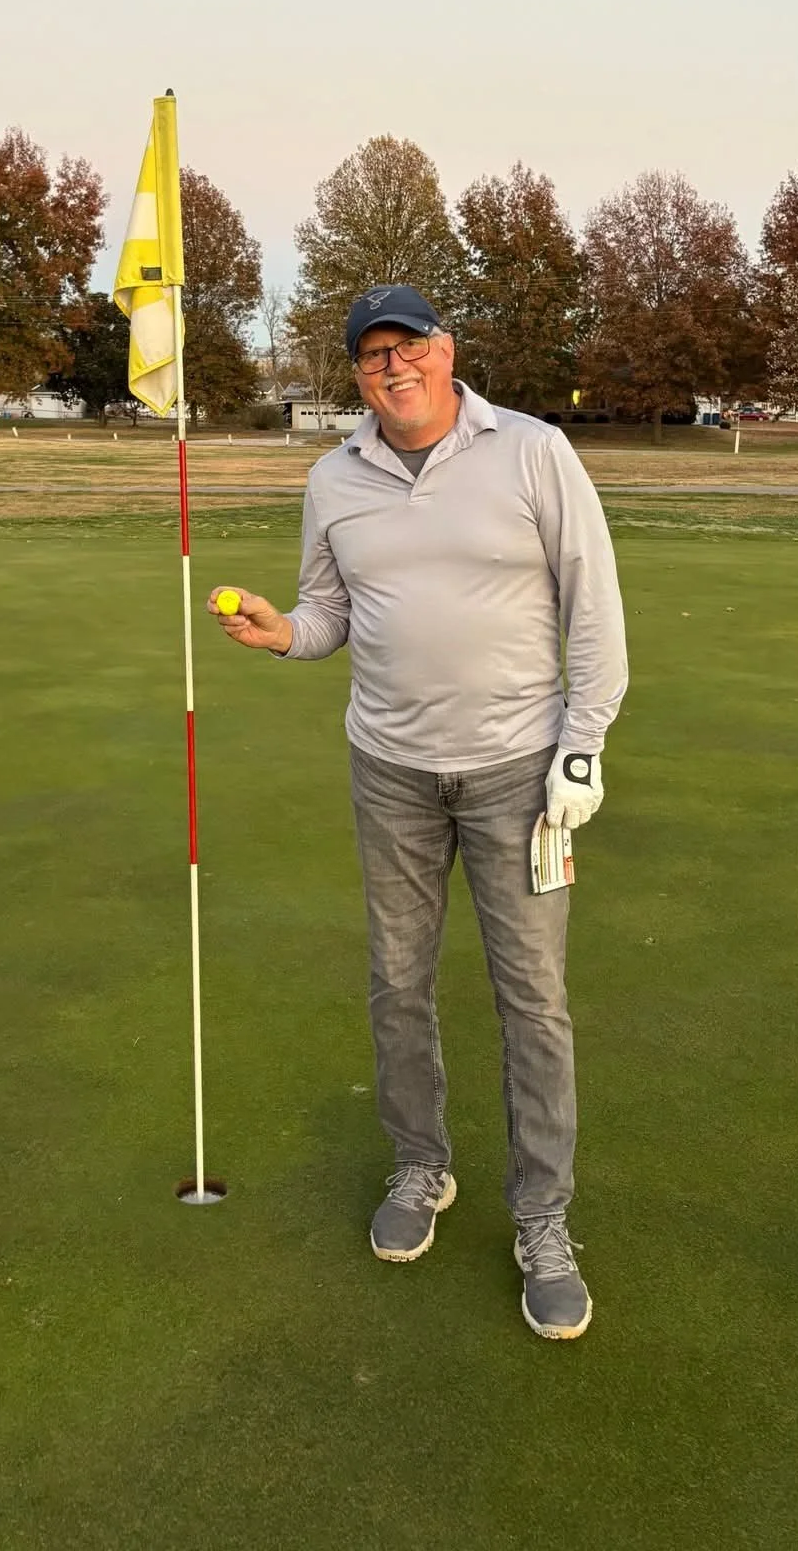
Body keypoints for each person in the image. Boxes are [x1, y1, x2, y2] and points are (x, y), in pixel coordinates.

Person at [209, 284, 628, 1340]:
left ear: (446, 351)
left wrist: (583, 745)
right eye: (372, 355)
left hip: (518, 771)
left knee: (532, 999)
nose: (392, 367)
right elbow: (329, 612)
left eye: (408, 347)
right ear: (357, 373)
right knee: (398, 981)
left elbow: (593, 604)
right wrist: (280, 631)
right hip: (390, 770)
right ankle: (419, 1165)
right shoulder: (332, 479)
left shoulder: (532, 450)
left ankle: (542, 1219)